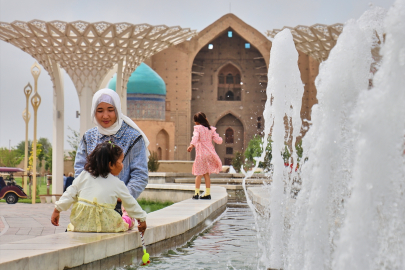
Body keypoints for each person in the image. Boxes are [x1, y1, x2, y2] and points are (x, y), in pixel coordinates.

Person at [74, 88, 149, 214]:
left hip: (119, 207)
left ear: (118, 110)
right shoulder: (88, 137)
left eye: (110, 110)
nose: (105, 116)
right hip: (91, 204)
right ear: (94, 112)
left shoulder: (133, 137)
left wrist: (123, 197)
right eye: (100, 110)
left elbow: (140, 176)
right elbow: (79, 170)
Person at [51, 141, 147, 233]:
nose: (122, 166)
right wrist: (141, 219)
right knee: (126, 222)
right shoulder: (117, 183)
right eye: (121, 162)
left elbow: (69, 194)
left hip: (81, 224)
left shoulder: (84, 175)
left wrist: (57, 210)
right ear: (110, 165)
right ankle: (127, 217)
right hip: (107, 225)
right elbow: (130, 202)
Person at [187, 112, 223, 200]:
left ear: (196, 122)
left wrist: (191, 145)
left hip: (201, 154)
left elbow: (195, 137)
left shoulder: (197, 128)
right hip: (210, 153)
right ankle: (207, 193)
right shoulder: (210, 129)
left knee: (198, 174)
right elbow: (218, 141)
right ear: (205, 119)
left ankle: (196, 193)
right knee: (206, 174)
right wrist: (220, 138)